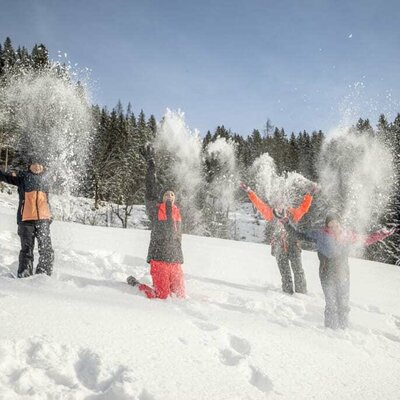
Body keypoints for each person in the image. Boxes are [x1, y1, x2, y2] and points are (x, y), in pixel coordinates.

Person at [274, 210, 395, 329]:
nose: (333, 225)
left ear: (340, 222)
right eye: (330, 223)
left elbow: (366, 239)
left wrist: (382, 234)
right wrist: (286, 222)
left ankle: (343, 329)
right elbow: (298, 234)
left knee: (343, 304)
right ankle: (331, 331)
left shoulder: (348, 235)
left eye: (335, 222)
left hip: (343, 274)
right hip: (326, 274)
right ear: (327, 224)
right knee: (331, 304)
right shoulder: (320, 234)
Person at [127, 145, 185, 299]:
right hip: (158, 259)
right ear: (162, 197)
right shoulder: (155, 209)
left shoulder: (178, 212)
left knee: (180, 295)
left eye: (172, 194)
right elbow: (151, 188)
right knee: (162, 296)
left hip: (175, 260)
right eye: (167, 194)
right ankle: (137, 284)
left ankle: (164, 283)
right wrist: (151, 165)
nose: (170, 196)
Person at [240, 182, 314, 294]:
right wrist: (249, 191)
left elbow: (304, 207)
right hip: (279, 247)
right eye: (278, 200)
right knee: (285, 273)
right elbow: (258, 204)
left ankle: (302, 294)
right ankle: (288, 293)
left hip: (293, 246)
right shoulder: (270, 213)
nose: (280, 203)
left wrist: (309, 195)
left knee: (298, 271)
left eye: (282, 200)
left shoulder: (292, 213)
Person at [0, 158, 54, 277]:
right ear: (29, 166)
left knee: (46, 250)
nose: (37, 166)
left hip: (44, 220)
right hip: (26, 221)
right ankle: (24, 274)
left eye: (40, 164)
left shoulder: (47, 179)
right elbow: (5, 176)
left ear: (44, 167)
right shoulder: (23, 177)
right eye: (34, 164)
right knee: (26, 250)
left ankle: (44, 275)